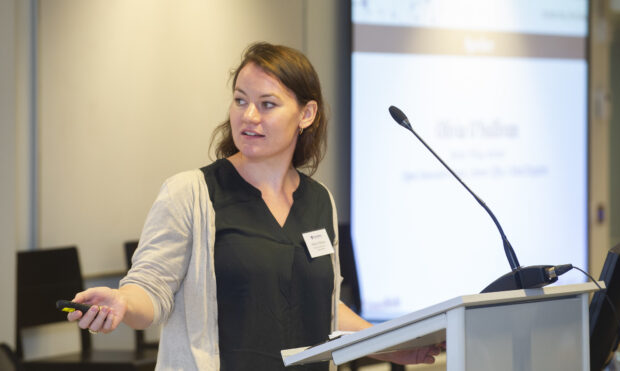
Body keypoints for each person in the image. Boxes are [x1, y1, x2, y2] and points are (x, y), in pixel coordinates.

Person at [67, 42, 442, 370]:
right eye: (240, 100)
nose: (248, 116)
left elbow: (324, 308)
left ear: (306, 115)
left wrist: (389, 345)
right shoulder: (191, 193)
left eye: (267, 104)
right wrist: (121, 302)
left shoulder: (319, 201)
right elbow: (150, 290)